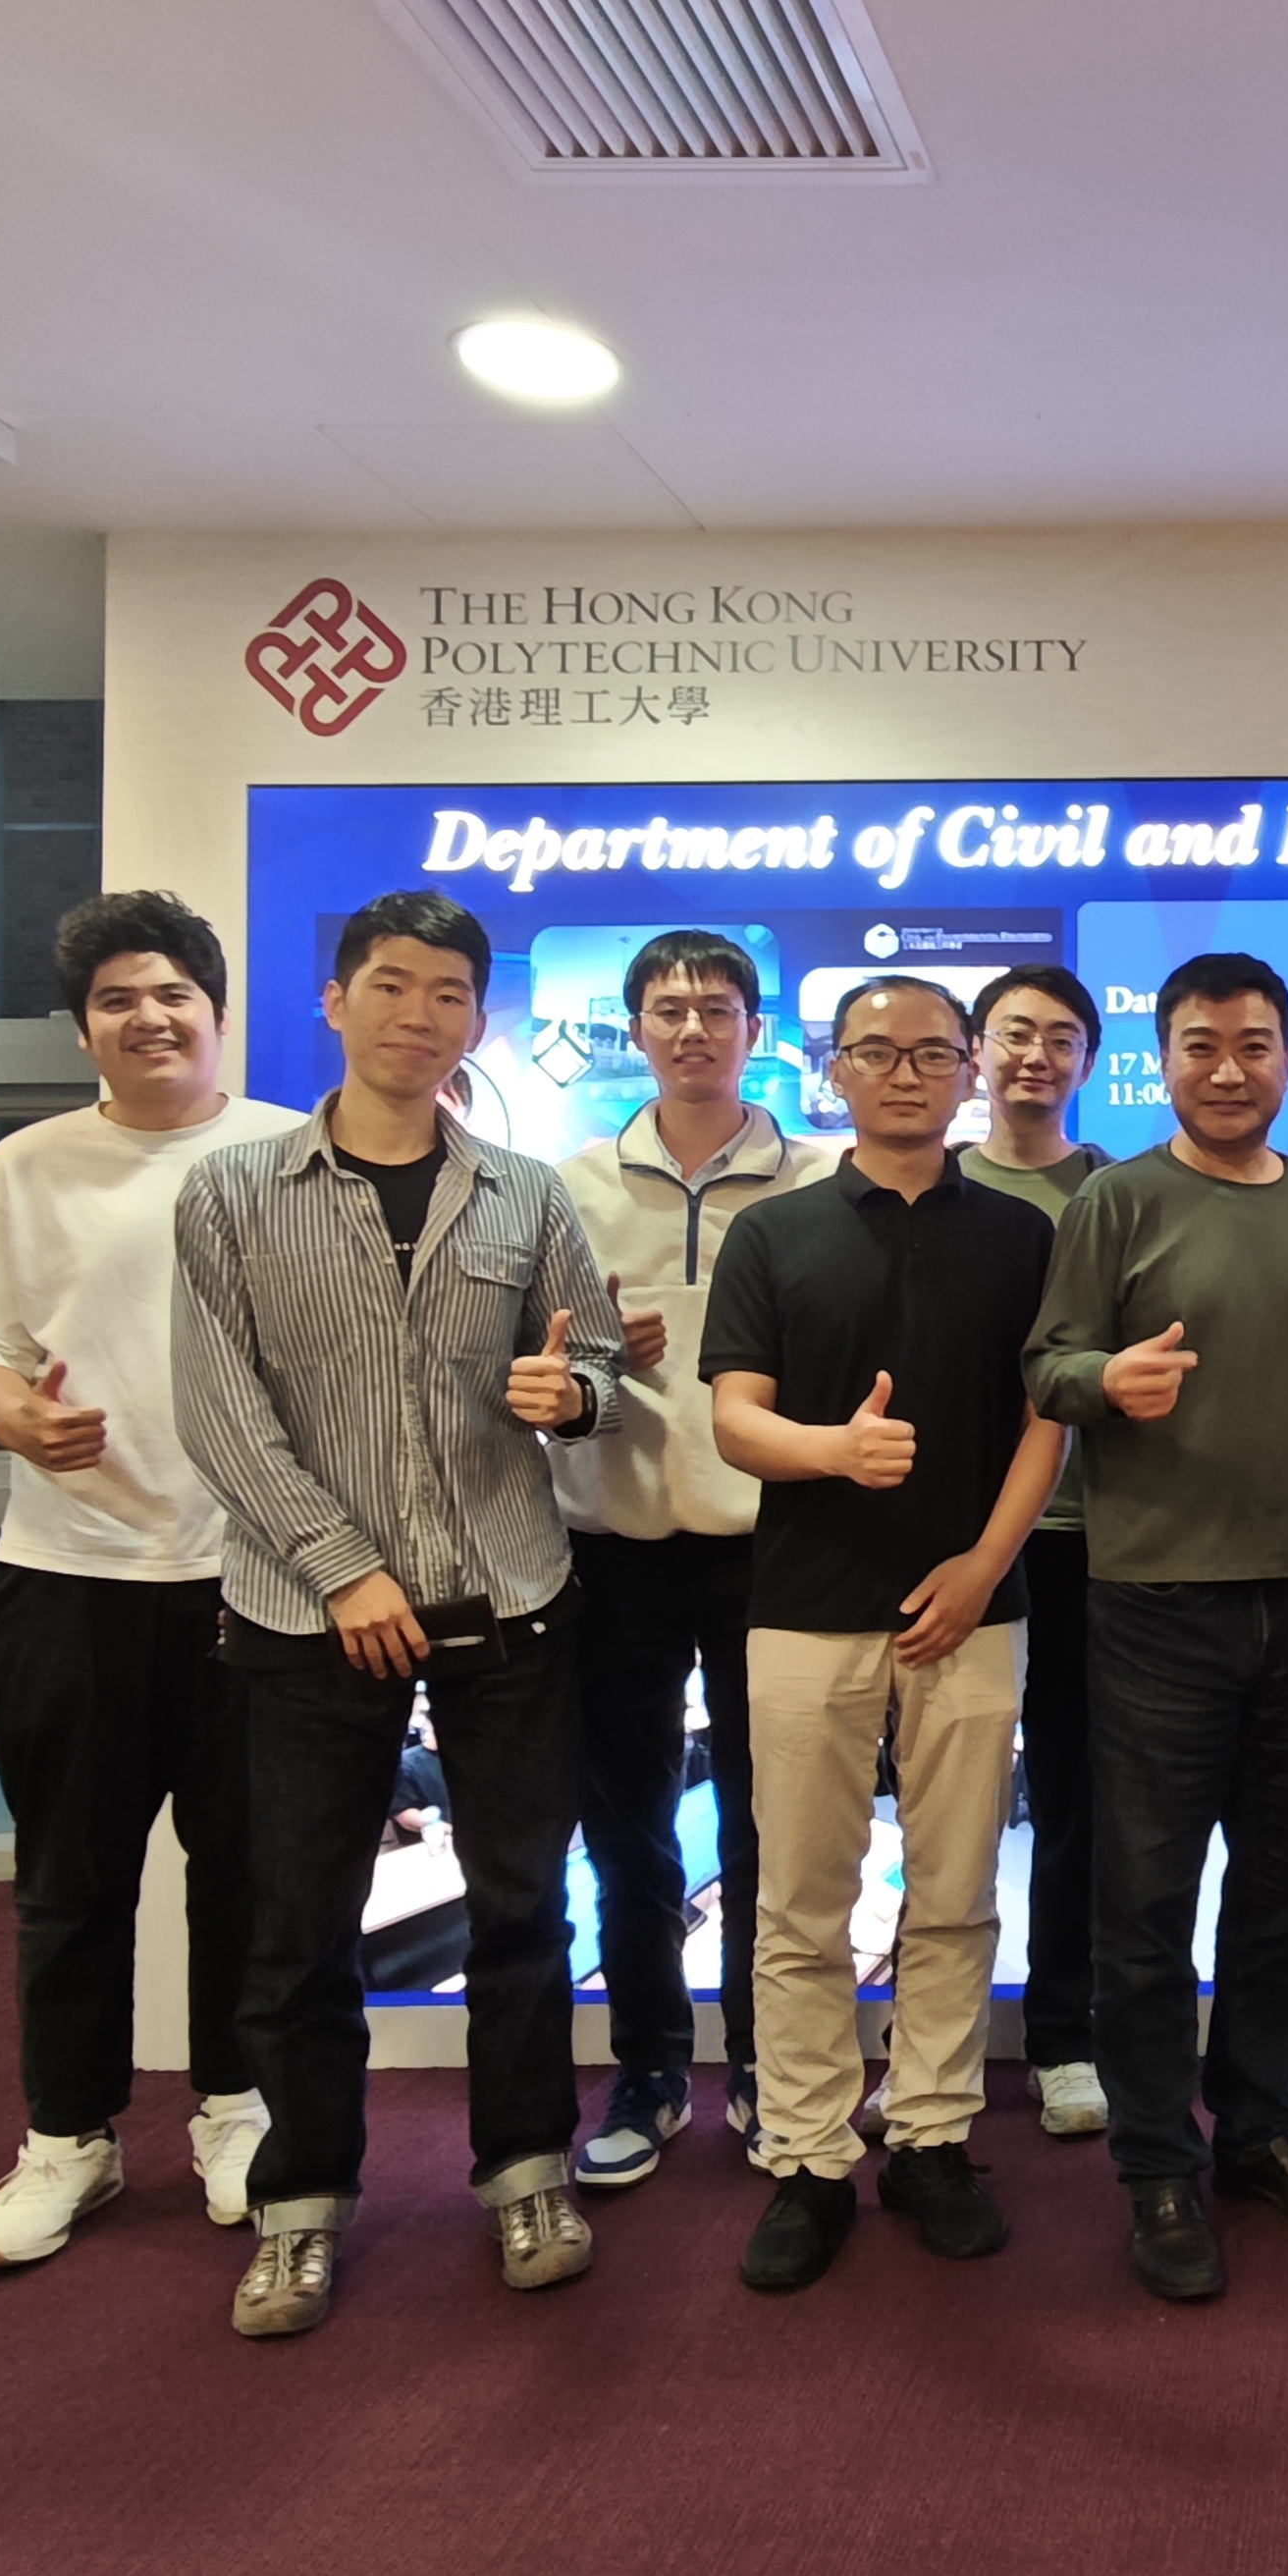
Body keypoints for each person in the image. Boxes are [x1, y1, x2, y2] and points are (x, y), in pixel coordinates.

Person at [174, 889, 622, 2340]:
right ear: (333, 1001)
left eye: (446, 994)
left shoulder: (526, 1193)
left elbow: (597, 1366)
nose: (416, 1015)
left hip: (509, 1595)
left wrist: (574, 1397)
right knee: (301, 1924)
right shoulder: (233, 1193)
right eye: (389, 984)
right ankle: (303, 2203)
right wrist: (339, 1565)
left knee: (521, 1909)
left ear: (478, 1020)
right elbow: (218, 1408)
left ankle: (528, 2171)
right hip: (308, 1614)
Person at [1025, 953, 1288, 2302]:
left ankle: (1254, 2127)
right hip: (1157, 1602)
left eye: (1255, 1044)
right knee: (1146, 1903)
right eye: (1201, 1045)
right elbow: (1046, 1364)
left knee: (1283, 1888)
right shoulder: (1118, 1201)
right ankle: (1156, 2164)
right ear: (1164, 1058)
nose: (1229, 1069)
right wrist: (1106, 1379)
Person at [0, 891, 302, 2272]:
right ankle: (67, 2140)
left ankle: (234, 2113)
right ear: (84, 1027)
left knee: (247, 1875)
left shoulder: (291, 1153)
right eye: (117, 1000)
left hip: (255, 1577)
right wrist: (15, 1418)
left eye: (172, 996)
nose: (148, 1018)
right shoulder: (28, 1167)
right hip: (68, 1575)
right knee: (69, 1881)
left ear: (219, 1015)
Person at [705, 974, 1067, 2290]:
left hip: (972, 1612)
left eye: (931, 1052)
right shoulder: (773, 1232)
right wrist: (832, 1452)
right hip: (805, 1610)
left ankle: (931, 2136)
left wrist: (984, 1565)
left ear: (969, 1069)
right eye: (876, 1051)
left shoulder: (1024, 1237)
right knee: (800, 1900)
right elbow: (733, 1418)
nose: (905, 1073)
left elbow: (1046, 1422)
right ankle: (807, 2156)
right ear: (832, 1070)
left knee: (957, 1893)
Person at [552, 930, 836, 2195]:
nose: (691, 1030)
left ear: (754, 1030)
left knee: (773, 1831)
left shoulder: (820, 1176)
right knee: (628, 1833)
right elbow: (533, 1367)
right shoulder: (565, 1186)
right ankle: (653, 2070)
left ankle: (772, 2067)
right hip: (613, 1548)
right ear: (634, 1031)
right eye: (667, 1010)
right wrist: (590, 1362)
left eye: (717, 1009)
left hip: (773, 1550)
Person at [959, 962, 1115, 2142]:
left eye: (1062, 1037)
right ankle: (934, 2042)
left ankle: (1066, 2036)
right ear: (978, 1048)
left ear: (1089, 1060)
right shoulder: (927, 1185)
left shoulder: (1121, 1191)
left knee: (1076, 1803)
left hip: (1086, 1543)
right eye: (1015, 1033)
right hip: (950, 1545)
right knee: (941, 1809)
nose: (1036, 1056)